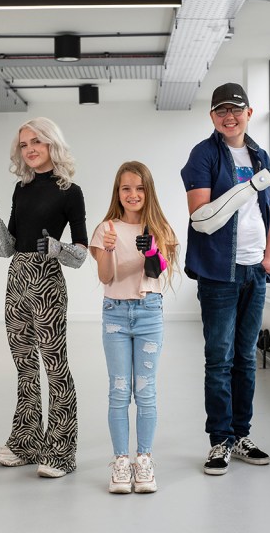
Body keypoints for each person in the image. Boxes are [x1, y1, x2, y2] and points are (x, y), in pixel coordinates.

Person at [180, 82, 270, 475]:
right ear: (212, 117)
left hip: (256, 268)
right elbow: (202, 219)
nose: (229, 116)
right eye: (221, 110)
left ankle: (242, 435)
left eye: (236, 109)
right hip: (219, 272)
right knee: (218, 359)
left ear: (249, 113)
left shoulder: (260, 155)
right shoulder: (203, 155)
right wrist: (249, 187)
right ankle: (219, 441)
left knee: (246, 358)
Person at [0, 117, 87, 478]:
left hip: (47, 282)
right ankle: (26, 443)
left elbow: (81, 254)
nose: (29, 149)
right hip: (17, 280)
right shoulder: (20, 189)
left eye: (36, 142)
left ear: (51, 145)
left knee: (55, 367)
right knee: (25, 367)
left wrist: (56, 247)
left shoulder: (70, 192)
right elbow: (7, 249)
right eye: (24, 144)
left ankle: (61, 450)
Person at [89, 161, 178, 493]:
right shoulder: (106, 229)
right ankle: (120, 462)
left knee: (146, 391)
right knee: (118, 390)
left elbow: (157, 271)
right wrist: (110, 250)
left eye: (139, 188)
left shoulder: (160, 229)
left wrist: (152, 251)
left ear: (148, 191)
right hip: (115, 314)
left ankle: (144, 460)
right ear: (118, 192)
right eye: (126, 188)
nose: (133, 194)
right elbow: (106, 277)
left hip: (149, 313)